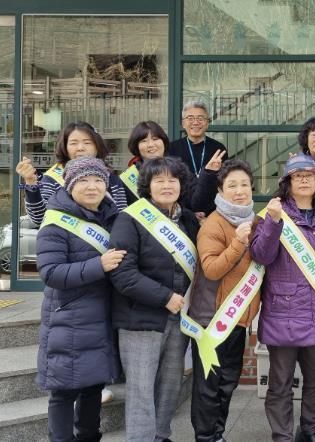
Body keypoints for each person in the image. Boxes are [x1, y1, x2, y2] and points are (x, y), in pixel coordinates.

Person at [109, 157, 200, 442]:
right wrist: (165, 297)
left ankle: (161, 436)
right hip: (140, 318)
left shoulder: (188, 220)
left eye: (173, 180)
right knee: (141, 389)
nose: (167, 185)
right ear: (147, 186)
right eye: (159, 180)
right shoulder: (130, 218)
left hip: (179, 318)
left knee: (170, 385)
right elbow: (123, 274)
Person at [250, 154, 315, 442]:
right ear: (287, 183)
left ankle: (310, 429)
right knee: (280, 383)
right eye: (297, 176)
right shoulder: (272, 214)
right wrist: (273, 222)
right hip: (283, 312)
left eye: (309, 175)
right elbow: (261, 255)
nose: (303, 180)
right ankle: (282, 435)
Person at [36, 157, 125, 442]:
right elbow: (51, 273)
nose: (92, 186)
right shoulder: (56, 221)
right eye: (83, 180)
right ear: (70, 185)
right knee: (63, 391)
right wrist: (99, 265)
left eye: (98, 180)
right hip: (68, 317)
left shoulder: (112, 216)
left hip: (102, 316)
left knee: (93, 386)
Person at [189, 159, 261, 442]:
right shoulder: (213, 224)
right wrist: (238, 243)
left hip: (238, 319)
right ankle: (205, 436)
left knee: (228, 382)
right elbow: (212, 269)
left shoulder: (254, 222)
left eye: (244, 184)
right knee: (209, 385)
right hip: (212, 319)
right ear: (220, 190)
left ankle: (217, 434)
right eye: (232, 185)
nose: (239, 191)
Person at [16, 121, 128, 226]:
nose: (80, 148)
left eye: (87, 142)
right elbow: (39, 219)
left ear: (97, 146)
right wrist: (30, 183)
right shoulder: (53, 178)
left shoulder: (110, 178)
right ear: (64, 147)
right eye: (73, 143)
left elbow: (122, 218)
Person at [123, 120, 224, 213]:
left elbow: (198, 204)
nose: (151, 144)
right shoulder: (129, 178)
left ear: (163, 141)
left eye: (155, 139)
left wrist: (209, 173)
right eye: (144, 141)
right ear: (136, 146)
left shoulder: (179, 169)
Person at [167, 101, 228, 177]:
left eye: (200, 118)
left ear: (207, 123)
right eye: (190, 118)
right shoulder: (172, 148)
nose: (195, 122)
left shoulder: (218, 148)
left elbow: (224, 178)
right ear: (183, 124)